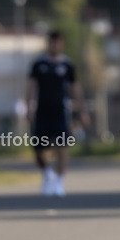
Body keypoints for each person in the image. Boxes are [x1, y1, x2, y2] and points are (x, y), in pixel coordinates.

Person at [25, 31, 90, 196]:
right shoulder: (39, 64)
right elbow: (31, 86)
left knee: (61, 147)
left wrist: (82, 110)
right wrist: (28, 107)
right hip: (42, 111)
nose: (54, 46)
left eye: (57, 43)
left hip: (60, 112)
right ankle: (47, 173)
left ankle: (59, 181)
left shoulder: (67, 65)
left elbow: (75, 88)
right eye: (52, 42)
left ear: (61, 44)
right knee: (39, 148)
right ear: (48, 44)